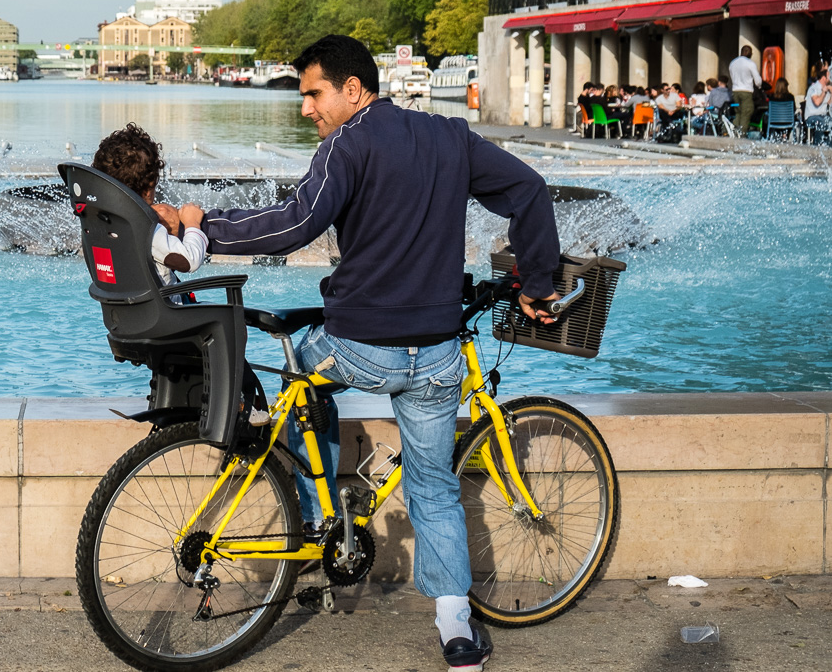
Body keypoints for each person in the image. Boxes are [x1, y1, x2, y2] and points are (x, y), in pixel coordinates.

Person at [188, 35, 562, 672]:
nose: (307, 108)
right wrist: (541, 281)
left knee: (301, 373)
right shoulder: (451, 137)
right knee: (434, 487)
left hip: (359, 350)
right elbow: (530, 190)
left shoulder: (346, 145)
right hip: (439, 356)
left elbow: (292, 224)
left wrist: (202, 226)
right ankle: (456, 630)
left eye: (313, 93)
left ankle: (316, 520)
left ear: (353, 90)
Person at [90, 122, 208, 291]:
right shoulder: (143, 226)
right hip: (169, 314)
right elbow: (190, 260)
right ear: (150, 185)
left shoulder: (98, 221)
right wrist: (192, 223)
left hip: (123, 314)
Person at [729, 46, 762, 136]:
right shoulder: (750, 63)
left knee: (738, 112)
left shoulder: (733, 63)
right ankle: (742, 135)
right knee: (746, 112)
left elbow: (732, 76)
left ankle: (734, 133)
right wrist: (759, 86)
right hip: (746, 91)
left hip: (735, 91)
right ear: (749, 53)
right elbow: (758, 81)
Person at [805, 65, 831, 144]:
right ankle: (817, 147)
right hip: (812, 116)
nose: (830, 78)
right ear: (824, 78)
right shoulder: (814, 88)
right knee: (820, 122)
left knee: (828, 121)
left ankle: (829, 147)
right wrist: (824, 92)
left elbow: (829, 104)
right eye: (829, 77)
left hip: (823, 116)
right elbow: (817, 102)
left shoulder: (826, 88)